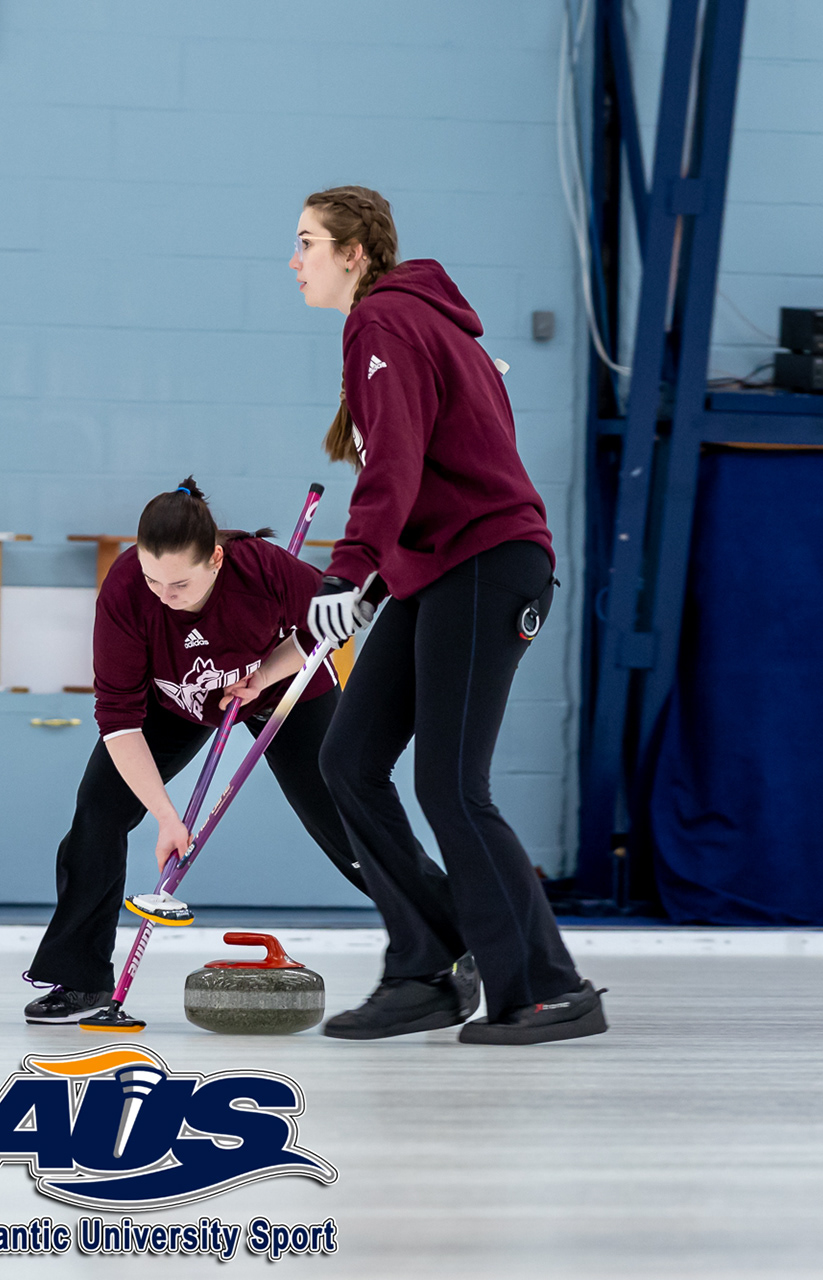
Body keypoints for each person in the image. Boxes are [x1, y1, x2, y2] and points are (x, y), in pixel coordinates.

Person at [290, 185, 603, 1046]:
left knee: (451, 785)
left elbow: (393, 461)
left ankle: (549, 988)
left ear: (354, 252)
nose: (296, 260)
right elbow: (429, 465)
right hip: (436, 570)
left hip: (485, 565)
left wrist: (348, 569)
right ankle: (428, 965)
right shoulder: (411, 325)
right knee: (349, 759)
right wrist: (375, 581)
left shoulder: (384, 320)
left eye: (309, 241)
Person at [23, 480, 433, 1022]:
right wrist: (166, 817)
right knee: (97, 812)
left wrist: (264, 674)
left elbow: (329, 626)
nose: (163, 595)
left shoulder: (263, 569)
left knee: (346, 826)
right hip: (177, 703)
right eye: (152, 579)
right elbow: (118, 721)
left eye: (179, 583)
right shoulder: (125, 590)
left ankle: (446, 937)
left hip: (283, 691)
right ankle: (81, 979)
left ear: (215, 559)